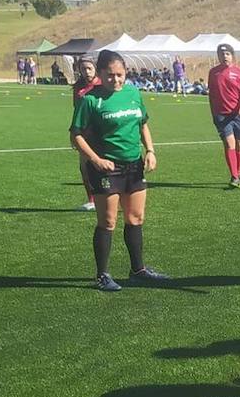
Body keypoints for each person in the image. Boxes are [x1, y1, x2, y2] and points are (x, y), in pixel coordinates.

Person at [69, 49, 169, 292]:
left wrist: (151, 151)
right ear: (100, 74)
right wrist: (95, 159)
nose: (116, 80)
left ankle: (138, 270)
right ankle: (102, 275)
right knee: (108, 221)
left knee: (136, 218)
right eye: (110, 75)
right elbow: (75, 135)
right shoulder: (90, 99)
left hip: (134, 166)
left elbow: (143, 123)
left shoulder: (133, 93)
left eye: (120, 74)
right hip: (107, 168)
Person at [207, 43, 240, 189]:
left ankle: (238, 174)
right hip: (222, 116)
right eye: (222, 54)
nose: (224, 57)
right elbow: (211, 95)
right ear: (218, 56)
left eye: (227, 54)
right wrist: (213, 113)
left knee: (239, 145)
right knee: (230, 144)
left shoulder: (239, 73)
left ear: (232, 56)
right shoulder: (213, 73)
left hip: (238, 115)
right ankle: (234, 176)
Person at [72, 56, 101, 212]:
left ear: (95, 68)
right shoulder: (78, 87)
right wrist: (74, 134)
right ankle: (92, 200)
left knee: (104, 167)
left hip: (101, 133)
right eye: (83, 69)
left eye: (89, 68)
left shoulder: (102, 85)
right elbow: (76, 110)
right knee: (84, 168)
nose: (87, 71)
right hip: (84, 134)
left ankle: (114, 198)